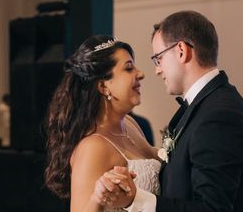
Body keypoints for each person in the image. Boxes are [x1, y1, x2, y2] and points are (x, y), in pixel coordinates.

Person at [95, 10, 243, 212]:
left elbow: (211, 209)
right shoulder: (209, 105)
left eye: (159, 58)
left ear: (181, 50)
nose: (157, 70)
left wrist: (136, 200)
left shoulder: (218, 116)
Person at [45, 35, 161, 211]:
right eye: (129, 69)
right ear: (103, 87)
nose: (140, 73)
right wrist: (98, 198)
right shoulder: (93, 147)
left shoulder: (129, 124)